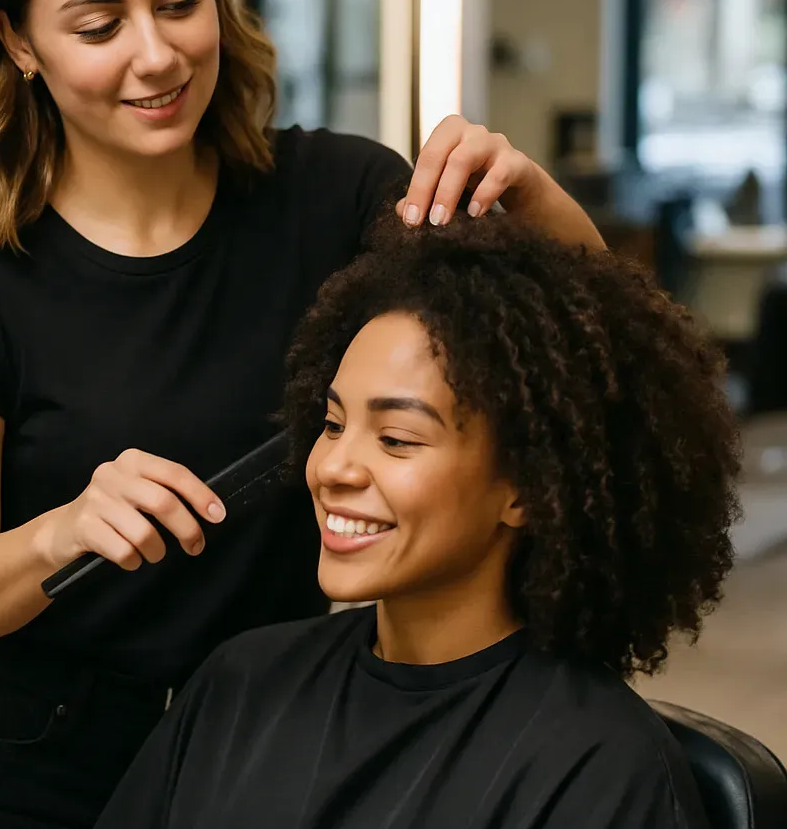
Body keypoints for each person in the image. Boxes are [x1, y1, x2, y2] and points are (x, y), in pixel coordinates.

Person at [0, 0, 605, 829]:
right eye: (99, 25)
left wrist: (533, 196)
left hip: (267, 739)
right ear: (16, 43)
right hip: (32, 766)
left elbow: (586, 348)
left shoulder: (336, 196)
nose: (158, 52)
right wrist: (62, 530)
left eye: (180, 1)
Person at [95, 212, 740, 829]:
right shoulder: (240, 685)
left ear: (526, 488)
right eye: (333, 424)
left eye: (398, 439)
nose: (333, 468)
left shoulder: (596, 767)